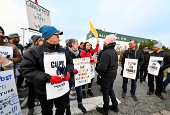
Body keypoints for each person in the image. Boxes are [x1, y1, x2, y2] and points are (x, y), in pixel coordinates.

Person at [20, 25, 73, 115]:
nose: (58, 37)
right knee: (46, 111)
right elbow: (26, 69)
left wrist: (68, 72)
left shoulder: (64, 51)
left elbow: (70, 63)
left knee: (61, 109)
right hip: (44, 90)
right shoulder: (34, 51)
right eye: (56, 35)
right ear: (48, 36)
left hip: (61, 88)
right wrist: (48, 78)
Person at [95, 35, 119, 115]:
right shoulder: (114, 51)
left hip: (106, 76)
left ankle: (105, 110)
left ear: (107, 43)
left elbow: (102, 68)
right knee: (110, 90)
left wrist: (96, 68)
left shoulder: (106, 53)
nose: (103, 43)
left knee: (105, 93)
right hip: (112, 75)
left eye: (104, 41)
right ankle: (115, 106)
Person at [65, 39, 87, 115]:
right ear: (72, 44)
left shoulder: (79, 53)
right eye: (77, 44)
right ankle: (67, 108)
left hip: (78, 76)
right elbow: (63, 65)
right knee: (67, 92)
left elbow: (83, 63)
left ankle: (80, 104)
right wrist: (70, 70)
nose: (78, 45)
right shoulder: (65, 52)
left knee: (79, 91)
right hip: (69, 76)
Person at [25, 35, 43, 115]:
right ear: (36, 42)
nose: (42, 42)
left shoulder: (44, 49)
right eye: (40, 40)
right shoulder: (30, 50)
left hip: (41, 75)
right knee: (31, 92)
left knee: (42, 92)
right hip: (32, 76)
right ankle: (31, 108)